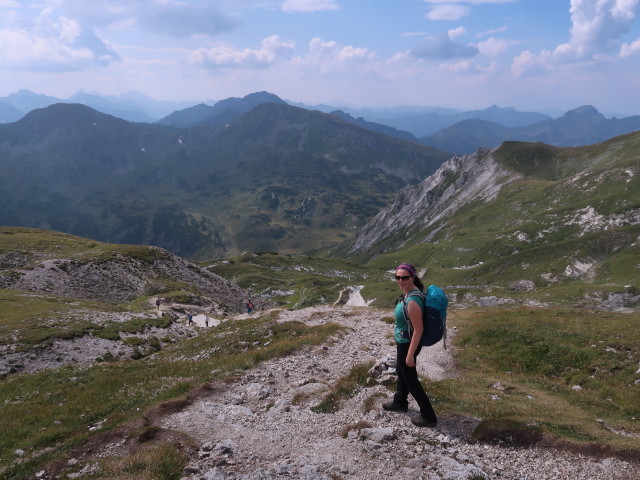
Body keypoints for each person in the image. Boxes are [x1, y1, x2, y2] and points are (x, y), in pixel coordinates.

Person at [382, 262, 438, 428]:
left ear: (413, 277)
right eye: (397, 277)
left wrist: (410, 354)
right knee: (402, 372)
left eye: (405, 277)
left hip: (408, 344)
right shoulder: (411, 294)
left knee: (411, 379)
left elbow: (418, 330)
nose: (400, 280)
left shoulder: (413, 300)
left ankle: (429, 416)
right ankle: (400, 401)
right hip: (404, 342)